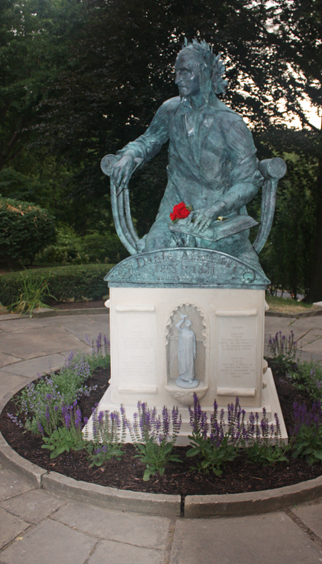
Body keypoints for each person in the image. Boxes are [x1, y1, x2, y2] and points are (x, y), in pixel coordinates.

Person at [109, 39, 263, 267]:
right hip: (175, 206)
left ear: (204, 72)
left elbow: (248, 181)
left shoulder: (231, 123)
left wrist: (214, 210)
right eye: (176, 72)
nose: (177, 79)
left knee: (206, 250)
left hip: (219, 214)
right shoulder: (170, 110)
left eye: (185, 72)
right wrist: (129, 155)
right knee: (157, 246)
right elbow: (149, 140)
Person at [175, 314, 197, 387]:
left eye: (189, 322)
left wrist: (194, 351)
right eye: (186, 322)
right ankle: (183, 376)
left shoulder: (191, 333)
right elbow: (177, 326)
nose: (187, 323)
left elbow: (194, 342)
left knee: (190, 363)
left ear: (190, 324)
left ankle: (190, 378)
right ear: (185, 323)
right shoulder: (182, 331)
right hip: (183, 350)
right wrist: (182, 319)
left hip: (189, 351)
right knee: (183, 363)